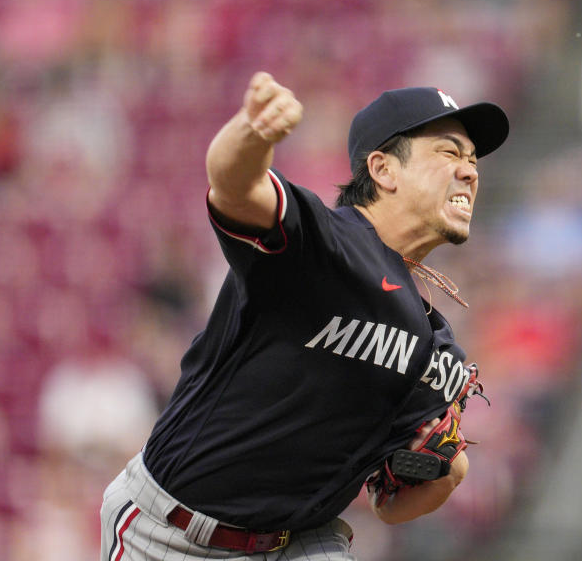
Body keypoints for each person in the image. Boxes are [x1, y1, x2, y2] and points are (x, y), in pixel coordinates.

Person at [100, 72, 509, 560]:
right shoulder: (321, 245)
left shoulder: (436, 345)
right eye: (448, 152)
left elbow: (392, 507)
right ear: (383, 169)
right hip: (173, 533)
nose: (470, 171)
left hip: (302, 544)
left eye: (471, 159)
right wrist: (252, 131)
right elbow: (233, 186)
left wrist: (444, 474)